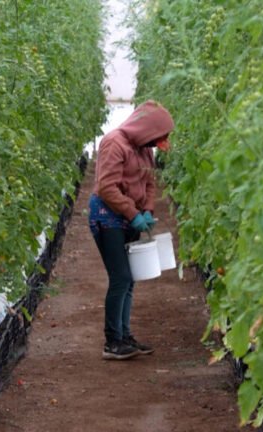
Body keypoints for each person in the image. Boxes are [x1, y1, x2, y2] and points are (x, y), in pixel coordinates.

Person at [88, 100, 174, 360]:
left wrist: (147, 210)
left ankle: (124, 336)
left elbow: (149, 181)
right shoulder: (115, 143)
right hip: (107, 217)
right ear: (146, 129)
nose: (157, 144)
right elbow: (106, 187)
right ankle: (112, 342)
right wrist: (133, 213)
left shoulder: (144, 149)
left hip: (129, 217)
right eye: (157, 138)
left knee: (130, 279)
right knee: (121, 277)